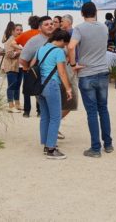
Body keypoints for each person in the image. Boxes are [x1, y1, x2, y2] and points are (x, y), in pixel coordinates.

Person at [68, 2, 113, 158]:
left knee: (92, 112)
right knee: (103, 109)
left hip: (87, 72)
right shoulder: (104, 27)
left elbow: (71, 46)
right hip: (102, 70)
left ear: (82, 13)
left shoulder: (79, 29)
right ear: (96, 12)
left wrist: (74, 64)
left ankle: (95, 148)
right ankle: (108, 143)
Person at [34, 29, 73, 160]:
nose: (65, 46)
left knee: (45, 116)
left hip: (40, 86)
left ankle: (46, 145)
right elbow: (62, 72)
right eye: (65, 43)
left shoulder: (41, 48)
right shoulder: (58, 51)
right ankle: (51, 149)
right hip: (51, 85)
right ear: (61, 40)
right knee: (55, 117)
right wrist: (68, 88)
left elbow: (33, 64)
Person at [20, 16, 54, 118]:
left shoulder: (57, 38)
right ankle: (27, 111)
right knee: (29, 91)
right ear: (39, 27)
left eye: (51, 24)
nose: (50, 26)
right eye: (46, 24)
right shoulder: (34, 41)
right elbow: (22, 59)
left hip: (54, 78)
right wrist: (29, 69)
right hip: (37, 74)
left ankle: (39, 112)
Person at [59, 14, 79, 126]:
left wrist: (73, 64)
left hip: (69, 67)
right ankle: (54, 124)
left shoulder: (71, 33)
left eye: (62, 21)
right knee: (70, 100)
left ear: (69, 22)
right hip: (68, 68)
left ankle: (54, 124)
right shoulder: (67, 33)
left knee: (71, 100)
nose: (61, 23)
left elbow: (72, 49)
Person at [1, 22, 23, 113]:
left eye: (21, 30)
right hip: (11, 66)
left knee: (17, 85)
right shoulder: (10, 40)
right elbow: (9, 54)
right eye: (17, 30)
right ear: (13, 31)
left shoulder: (20, 40)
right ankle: (10, 105)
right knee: (12, 85)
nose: (19, 31)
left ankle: (17, 104)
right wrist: (20, 51)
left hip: (20, 66)